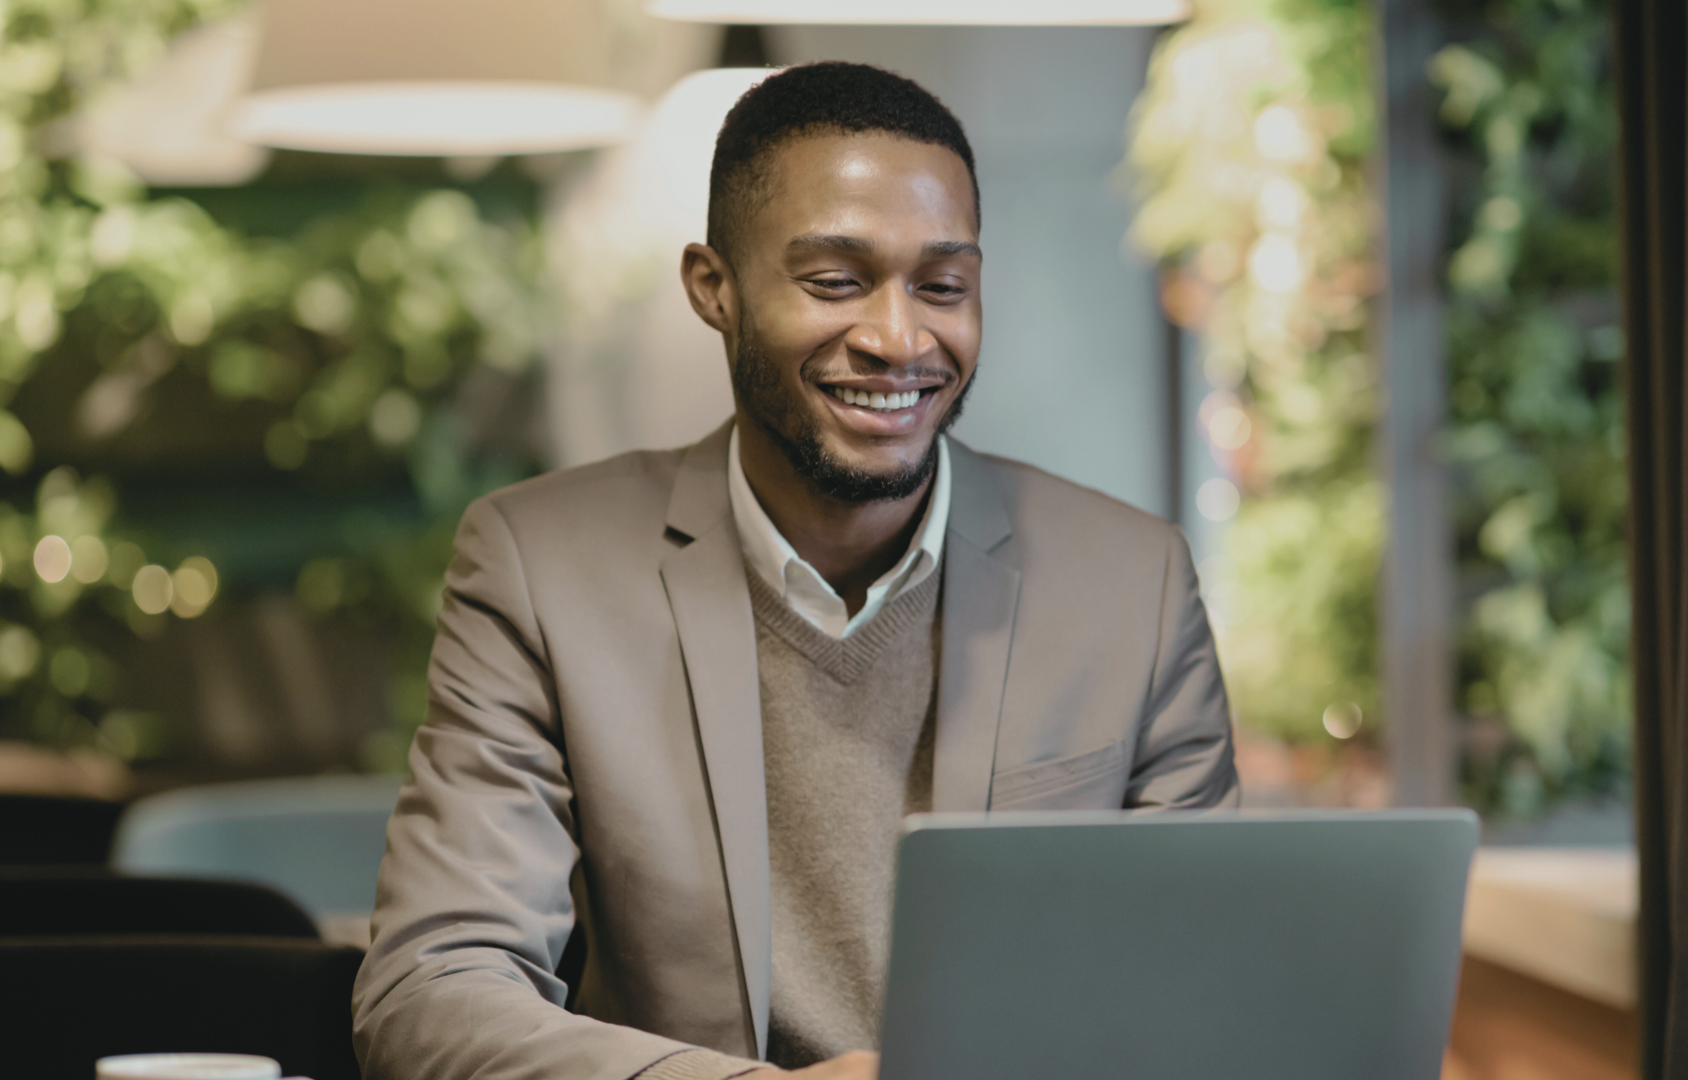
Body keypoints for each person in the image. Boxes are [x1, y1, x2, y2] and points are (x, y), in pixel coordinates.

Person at [351, 61, 1238, 1080]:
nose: (899, 339)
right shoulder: (541, 567)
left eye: (942, 286)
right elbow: (431, 991)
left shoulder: (1134, 584)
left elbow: (1204, 987)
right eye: (835, 282)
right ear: (714, 289)